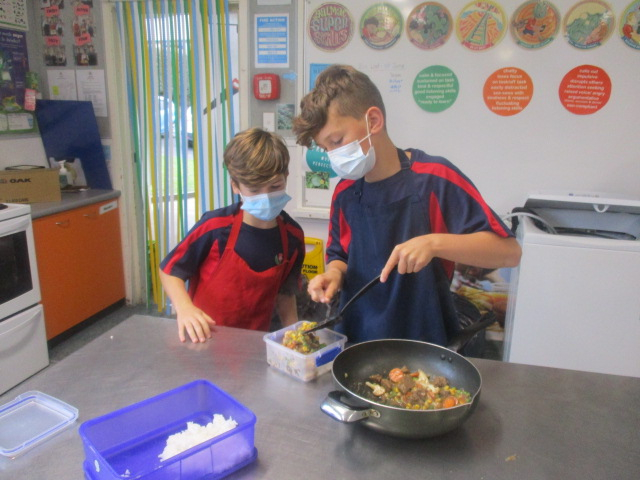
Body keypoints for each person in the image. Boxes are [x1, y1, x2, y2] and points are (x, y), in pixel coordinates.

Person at [292, 64, 521, 346]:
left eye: (337, 141)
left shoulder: (434, 179)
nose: (333, 156)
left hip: (423, 341)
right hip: (357, 339)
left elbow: (509, 253)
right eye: (326, 148)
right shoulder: (345, 192)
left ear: (373, 120)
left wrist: (433, 244)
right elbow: (340, 255)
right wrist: (333, 274)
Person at [159, 128, 305, 343]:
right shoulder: (214, 227)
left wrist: (295, 333)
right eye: (254, 190)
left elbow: (286, 293)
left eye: (275, 186)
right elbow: (170, 271)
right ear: (235, 185)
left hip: (254, 341)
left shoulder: (292, 236)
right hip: (204, 338)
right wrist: (184, 308)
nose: (265, 196)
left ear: (287, 176)